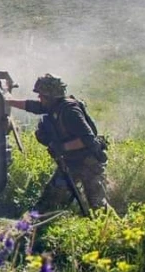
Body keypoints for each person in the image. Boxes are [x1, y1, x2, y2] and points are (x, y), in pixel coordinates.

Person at [8, 73, 109, 214]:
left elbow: (88, 139)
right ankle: (34, 223)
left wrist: (62, 147)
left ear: (50, 96)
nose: (39, 97)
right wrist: (8, 101)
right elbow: (33, 106)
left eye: (42, 95)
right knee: (48, 202)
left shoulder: (70, 111)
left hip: (89, 163)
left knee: (98, 207)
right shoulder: (54, 106)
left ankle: (107, 226)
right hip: (70, 162)